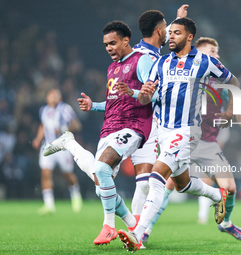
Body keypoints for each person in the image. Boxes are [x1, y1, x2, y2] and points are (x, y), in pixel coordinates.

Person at [118, 17, 240, 252]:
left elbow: (233, 81)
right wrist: (143, 94)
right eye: (170, 32)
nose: (170, 36)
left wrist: (231, 110)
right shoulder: (161, 63)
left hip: (187, 131)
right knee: (182, 184)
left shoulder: (205, 62)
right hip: (163, 131)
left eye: (176, 33)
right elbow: (146, 97)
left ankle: (138, 234)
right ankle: (216, 195)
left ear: (189, 36)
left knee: (157, 176)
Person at [140, 37, 241, 244]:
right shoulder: (180, 79)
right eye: (212, 52)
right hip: (181, 138)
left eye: (217, 51)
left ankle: (226, 223)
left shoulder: (219, 84)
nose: (217, 55)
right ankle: (145, 230)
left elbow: (238, 107)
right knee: (168, 183)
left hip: (207, 143)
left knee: (230, 188)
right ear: (198, 57)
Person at [43, 20, 154, 245]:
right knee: (101, 187)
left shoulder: (141, 61)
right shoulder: (112, 68)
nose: (109, 48)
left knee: (102, 168)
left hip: (132, 126)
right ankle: (134, 226)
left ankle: (109, 226)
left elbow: (152, 95)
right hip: (109, 128)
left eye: (113, 43)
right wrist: (93, 105)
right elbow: (114, 101)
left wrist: (132, 92)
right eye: (105, 45)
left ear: (125, 40)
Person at [78, 5, 190, 218]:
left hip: (145, 123)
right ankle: (133, 228)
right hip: (138, 122)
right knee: (108, 182)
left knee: (140, 181)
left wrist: (178, 20)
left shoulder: (148, 53)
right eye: (167, 28)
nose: (169, 33)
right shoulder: (142, 58)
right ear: (159, 31)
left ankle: (135, 230)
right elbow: (142, 93)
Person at [32, 88, 83, 215]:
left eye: (56, 94)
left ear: (60, 97)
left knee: (67, 174)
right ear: (47, 97)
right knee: (45, 173)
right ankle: (49, 204)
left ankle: (76, 194)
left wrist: (63, 128)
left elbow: (77, 125)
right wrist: (38, 139)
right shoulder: (43, 110)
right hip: (48, 146)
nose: (54, 96)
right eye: (51, 94)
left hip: (63, 146)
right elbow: (42, 125)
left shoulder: (65, 108)